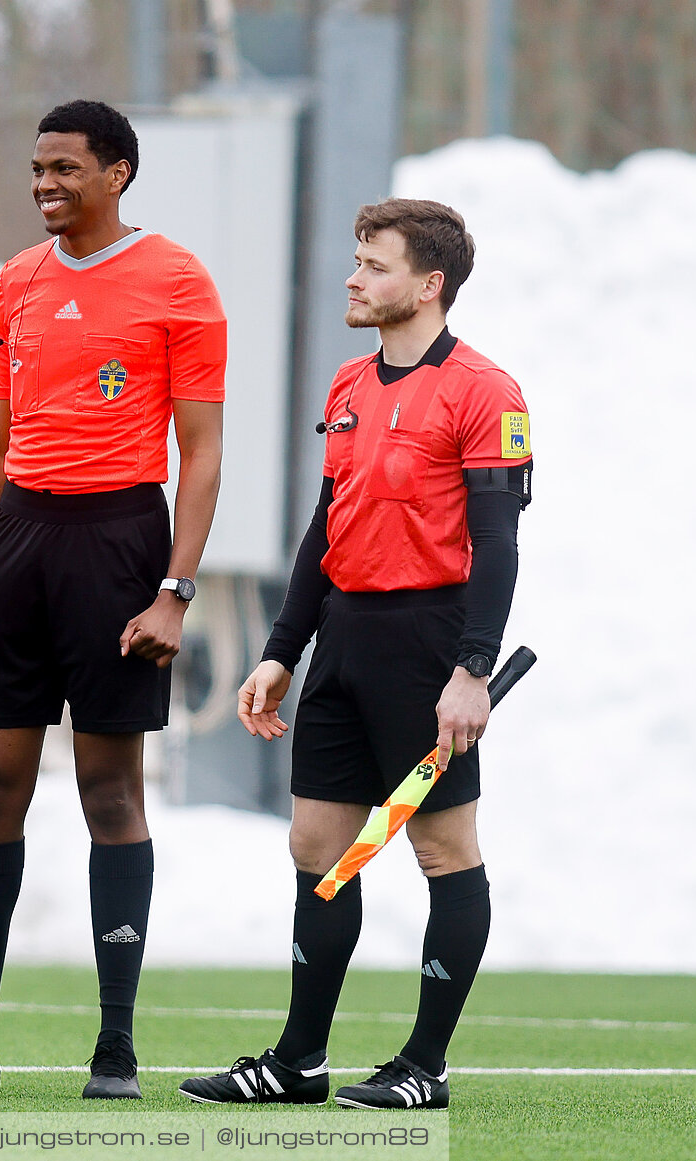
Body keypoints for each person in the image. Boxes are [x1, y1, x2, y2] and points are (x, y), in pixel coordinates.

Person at [0, 99, 227, 1100]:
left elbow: (202, 452)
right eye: (37, 168)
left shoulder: (178, 281)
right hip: (16, 550)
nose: (45, 184)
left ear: (117, 173)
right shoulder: (14, 286)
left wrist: (175, 589)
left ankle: (115, 1049)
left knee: (108, 791)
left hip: (121, 544)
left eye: (65, 168)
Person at [180, 198, 529, 1111]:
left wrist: (471, 669)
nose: (354, 277)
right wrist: (281, 650)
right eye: (358, 260)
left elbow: (498, 545)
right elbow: (325, 528)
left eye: (374, 264)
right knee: (318, 846)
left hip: (428, 647)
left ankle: (426, 1063)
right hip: (344, 639)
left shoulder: (487, 392)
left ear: (429, 284)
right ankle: (299, 1060)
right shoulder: (347, 386)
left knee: (444, 851)